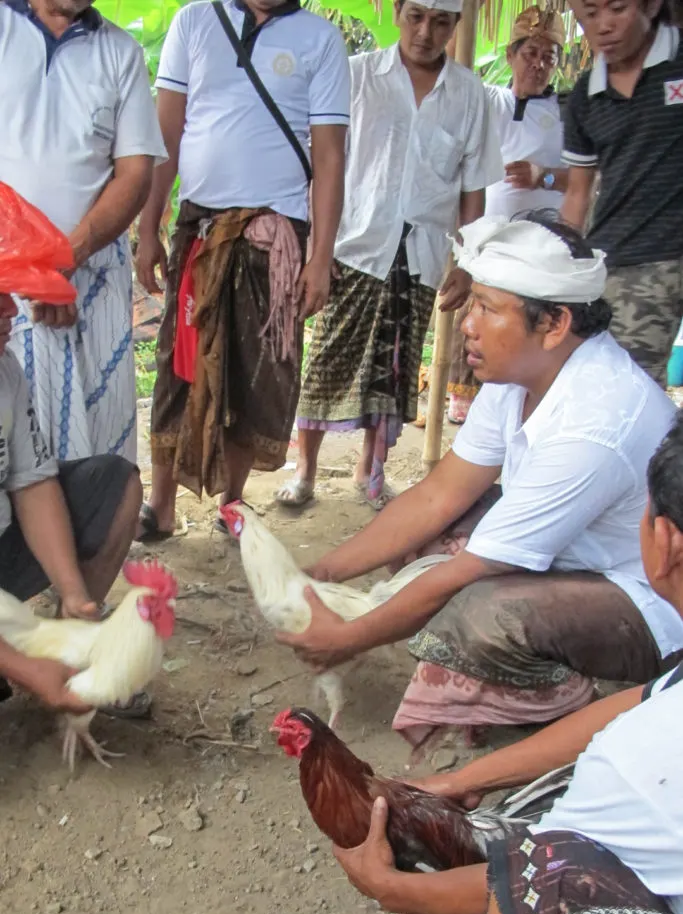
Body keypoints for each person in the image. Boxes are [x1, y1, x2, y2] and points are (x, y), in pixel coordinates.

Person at [277, 213, 683, 748]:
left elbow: (463, 572)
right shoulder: (521, 373)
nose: (468, 323)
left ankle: (570, 699)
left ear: (555, 323)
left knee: (479, 611)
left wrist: (348, 639)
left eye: (488, 309)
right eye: (474, 303)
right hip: (577, 559)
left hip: (648, 601)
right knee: (430, 538)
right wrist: (316, 574)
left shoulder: (596, 423)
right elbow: (437, 494)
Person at [330, 410, 683, 914]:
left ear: (664, 541)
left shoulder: (645, 764)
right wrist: (465, 780)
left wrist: (395, 889)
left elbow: (533, 877)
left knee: (537, 903)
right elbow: (643, 698)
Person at [135, 0, 349, 540]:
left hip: (274, 241)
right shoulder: (193, 21)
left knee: (256, 377)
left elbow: (328, 159)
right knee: (179, 366)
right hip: (199, 232)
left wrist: (320, 257)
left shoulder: (320, 40)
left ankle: (232, 506)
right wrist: (149, 226)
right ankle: (159, 505)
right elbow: (168, 132)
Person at [275, 0, 502, 509]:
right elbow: (324, 165)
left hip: (421, 254)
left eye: (441, 21)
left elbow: (472, 190)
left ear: (455, 26)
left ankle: (369, 472)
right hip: (354, 245)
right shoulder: (356, 77)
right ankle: (305, 469)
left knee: (397, 367)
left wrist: (466, 263)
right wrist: (318, 246)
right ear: (397, 11)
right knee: (328, 358)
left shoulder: (469, 95)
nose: (426, 31)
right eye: (416, 16)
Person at [1, 0, 166, 462]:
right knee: (12, 450)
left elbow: (134, 175)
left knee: (100, 449)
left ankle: (94, 536)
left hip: (89, 280)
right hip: (5, 281)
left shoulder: (121, 51)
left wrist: (60, 263)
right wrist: (30, 270)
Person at [0, 293, 142, 713]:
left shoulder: (6, 369)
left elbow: (32, 484)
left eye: (7, 293)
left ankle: (66, 656)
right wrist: (24, 667)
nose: (10, 309)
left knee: (115, 485)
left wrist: (73, 592)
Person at [447, 6, 568, 425]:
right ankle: (470, 412)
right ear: (512, 55)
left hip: (542, 250)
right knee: (480, 322)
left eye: (548, 57)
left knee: (529, 330)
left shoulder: (567, 113)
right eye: (530, 53)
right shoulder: (487, 101)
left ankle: (525, 411)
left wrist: (546, 176)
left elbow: (591, 180)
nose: (538, 64)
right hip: (489, 245)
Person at [561, 0, 683, 386]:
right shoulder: (586, 96)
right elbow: (578, 194)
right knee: (630, 389)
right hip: (629, 264)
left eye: (616, 8)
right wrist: (563, 269)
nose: (604, 26)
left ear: (651, 5)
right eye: (589, 15)